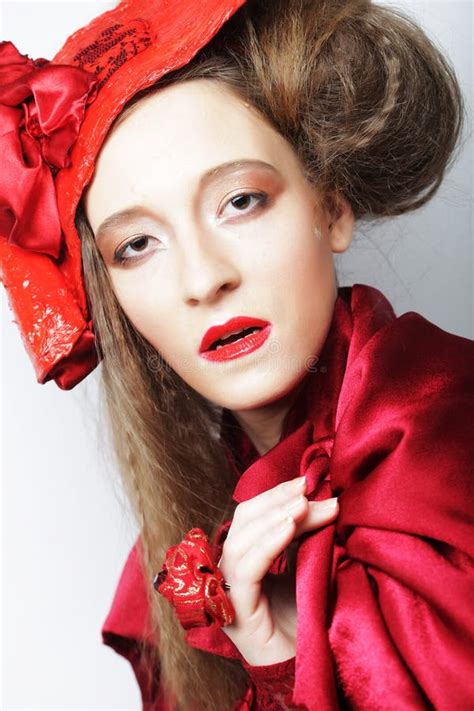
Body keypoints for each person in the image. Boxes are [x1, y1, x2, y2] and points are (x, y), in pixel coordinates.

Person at [1, 1, 473, 709]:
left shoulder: (445, 436)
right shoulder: (189, 540)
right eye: (137, 245)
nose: (203, 278)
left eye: (242, 201)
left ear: (331, 205)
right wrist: (271, 653)